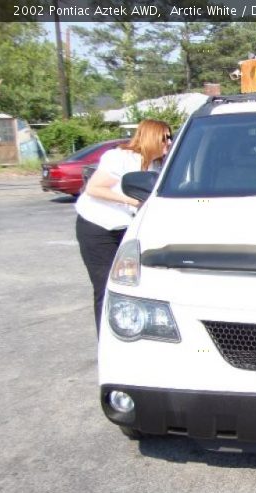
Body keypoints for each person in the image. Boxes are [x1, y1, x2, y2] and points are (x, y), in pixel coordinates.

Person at [75, 119, 172, 334]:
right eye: (164, 137)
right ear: (150, 137)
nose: (169, 141)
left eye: (170, 137)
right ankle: (106, 340)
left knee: (133, 285)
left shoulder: (159, 165)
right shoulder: (120, 158)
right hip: (98, 227)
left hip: (127, 228)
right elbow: (94, 188)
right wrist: (133, 201)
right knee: (105, 286)